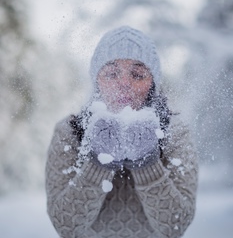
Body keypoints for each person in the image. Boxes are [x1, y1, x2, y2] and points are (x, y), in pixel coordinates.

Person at [45, 26, 198, 238]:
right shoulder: (69, 133)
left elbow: (175, 227)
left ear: (153, 83)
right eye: (112, 73)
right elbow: (67, 228)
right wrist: (99, 161)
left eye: (137, 74)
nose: (124, 84)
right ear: (96, 81)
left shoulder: (175, 132)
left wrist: (147, 162)